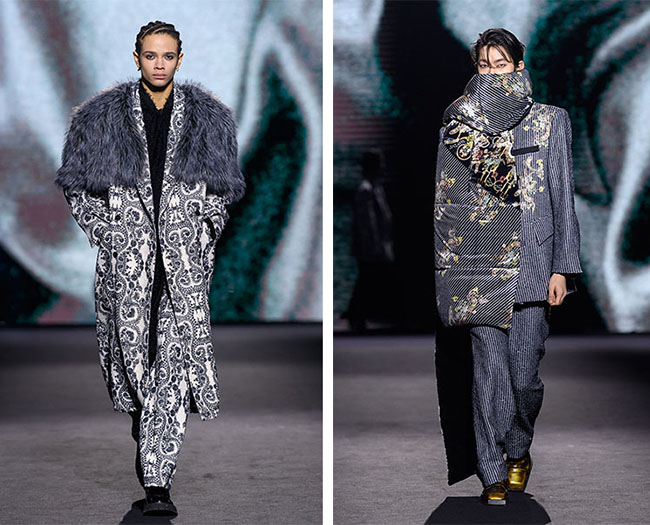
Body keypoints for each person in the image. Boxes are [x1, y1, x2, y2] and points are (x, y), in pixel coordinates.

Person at [55, 21, 245, 517]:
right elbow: (75, 186)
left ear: (180, 58)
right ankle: (148, 431)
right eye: (151, 55)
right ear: (136, 57)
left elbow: (225, 191)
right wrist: (108, 233)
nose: (159, 64)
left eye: (167, 55)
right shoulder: (99, 117)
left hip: (184, 266)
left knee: (173, 369)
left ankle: (159, 484)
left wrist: (204, 231)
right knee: (135, 366)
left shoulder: (209, 120)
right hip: (127, 266)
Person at [433, 28, 581, 505]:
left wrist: (563, 267)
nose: (493, 73)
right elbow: (446, 202)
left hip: (534, 263)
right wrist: (449, 270)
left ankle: (517, 448)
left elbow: (562, 197)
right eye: (485, 65)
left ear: (519, 66)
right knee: (489, 375)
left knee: (524, 380)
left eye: (501, 65)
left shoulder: (551, 121)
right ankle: (492, 470)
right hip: (478, 262)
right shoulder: (460, 121)